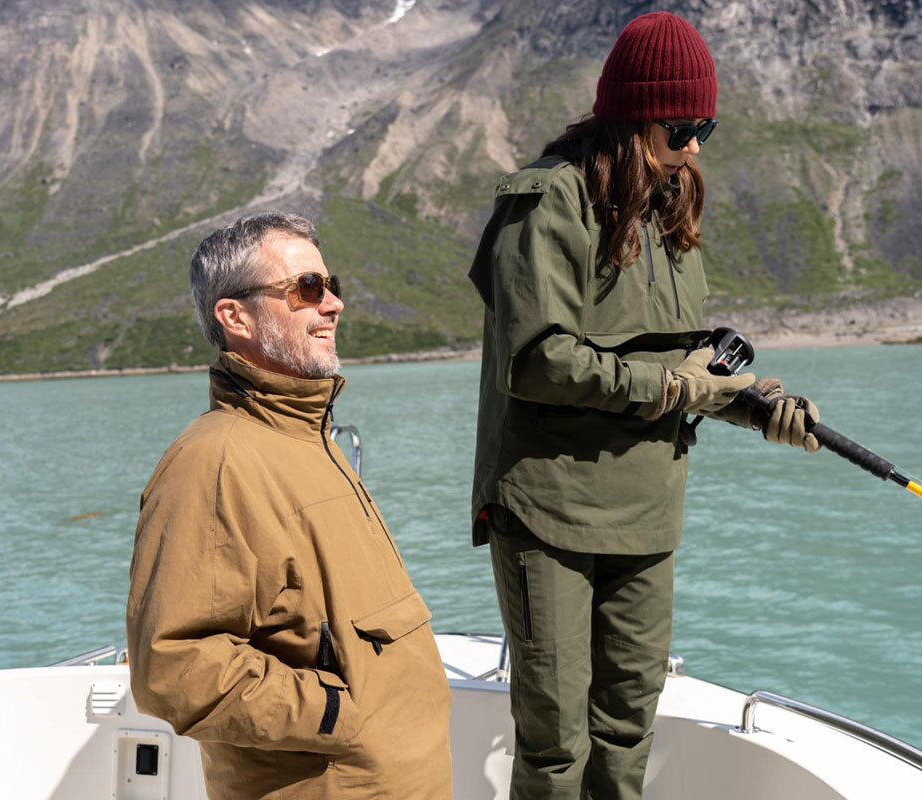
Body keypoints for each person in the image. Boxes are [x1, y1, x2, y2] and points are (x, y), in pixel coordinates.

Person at [468, 12, 820, 800]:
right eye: (681, 126)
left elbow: (677, 360)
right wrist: (673, 388)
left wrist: (751, 405)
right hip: (547, 509)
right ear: (630, 117)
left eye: (707, 128)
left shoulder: (670, 202)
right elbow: (535, 361)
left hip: (647, 510)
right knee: (555, 747)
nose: (695, 145)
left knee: (627, 730)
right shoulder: (546, 200)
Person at [126, 212, 452, 800]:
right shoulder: (214, 463)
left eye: (332, 287)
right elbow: (174, 667)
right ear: (236, 316)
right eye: (306, 288)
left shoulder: (308, 439)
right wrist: (340, 716)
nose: (332, 305)